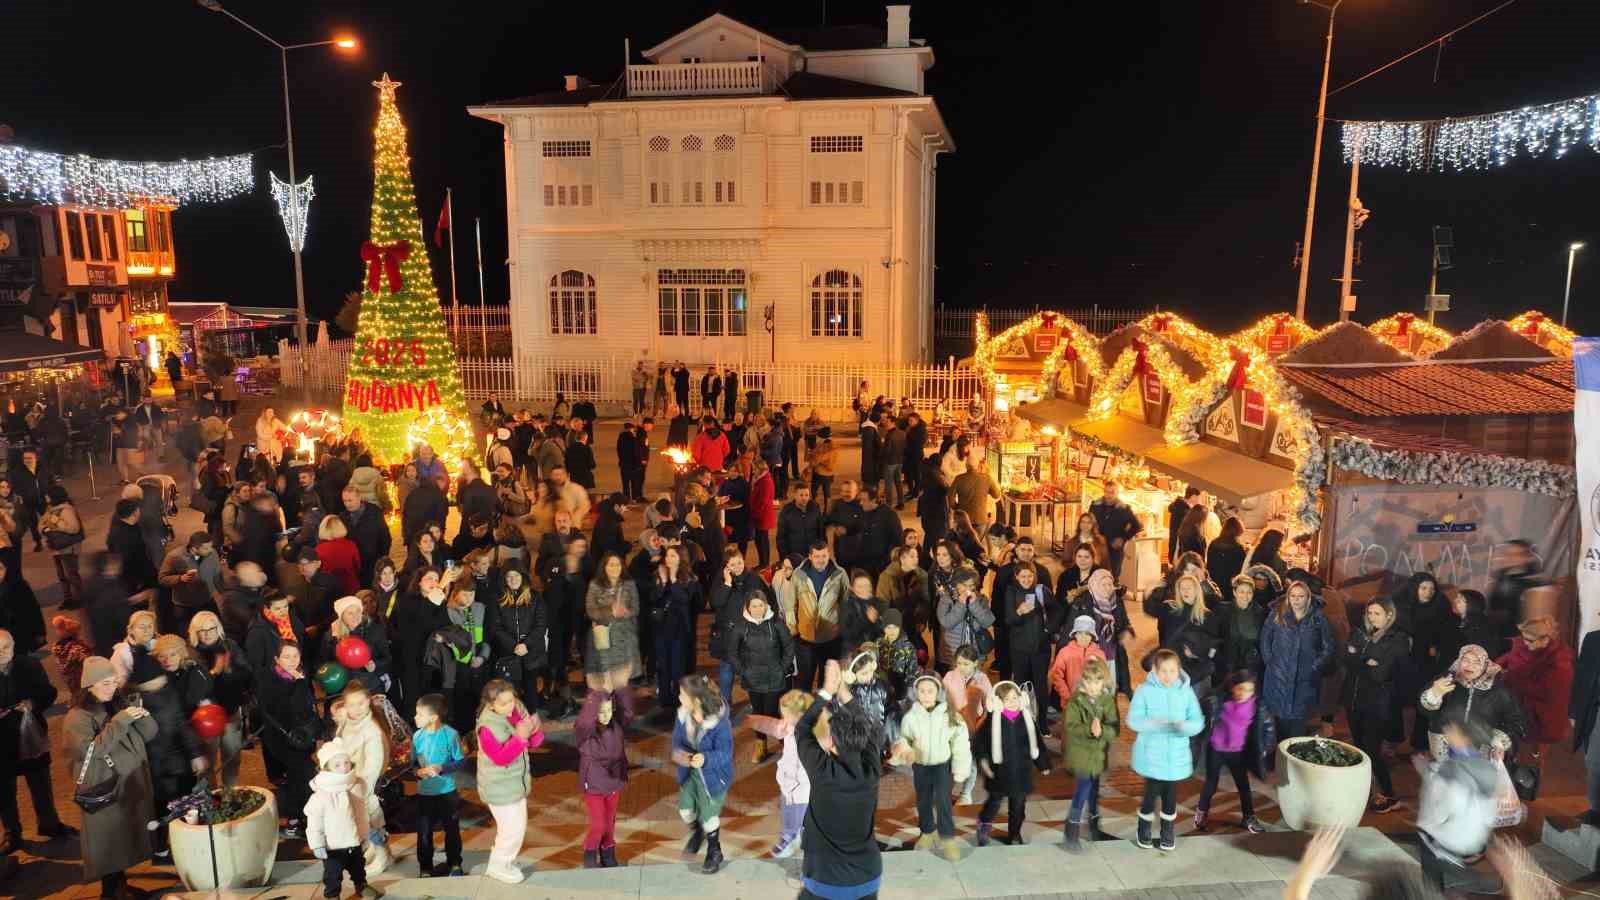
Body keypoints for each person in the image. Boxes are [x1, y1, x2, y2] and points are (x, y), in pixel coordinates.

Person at [64, 656, 158, 900]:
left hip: (126, 784)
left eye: (114, 682)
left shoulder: (115, 704)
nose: (112, 687)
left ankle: (120, 888)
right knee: (109, 843)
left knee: (122, 839)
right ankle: (112, 893)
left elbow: (149, 734)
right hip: (104, 788)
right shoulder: (77, 717)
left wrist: (142, 715)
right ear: (89, 685)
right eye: (105, 683)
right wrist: (120, 720)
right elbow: (91, 751)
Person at [797, 660, 884, 900]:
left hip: (824, 880)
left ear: (832, 745)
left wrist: (828, 690)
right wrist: (843, 691)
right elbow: (866, 725)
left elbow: (801, 728)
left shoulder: (822, 772)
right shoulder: (871, 769)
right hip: (867, 877)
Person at [0, 629, 73, 854]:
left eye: (5, 648)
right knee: (4, 790)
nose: (2, 653)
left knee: (40, 782)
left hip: (30, 735)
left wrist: (32, 703)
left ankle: (49, 823)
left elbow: (49, 693)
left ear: (13, 646)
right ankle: (12, 833)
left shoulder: (29, 665)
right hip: (2, 743)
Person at [1414, 717, 1504, 894]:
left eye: (1451, 731)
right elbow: (1490, 814)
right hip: (1475, 841)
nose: (1446, 734)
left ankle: (1438, 890)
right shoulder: (1488, 769)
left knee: (1425, 842)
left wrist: (1426, 774)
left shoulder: (1449, 771)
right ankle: (1473, 879)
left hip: (1451, 842)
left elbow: (1438, 814)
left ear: (1465, 738)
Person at [1128, 648, 1204, 851]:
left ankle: (1167, 830)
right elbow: (1133, 719)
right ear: (1155, 670)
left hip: (1175, 756)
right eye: (1163, 671)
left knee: (1170, 795)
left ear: (1179, 671)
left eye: (1172, 671)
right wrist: (1153, 724)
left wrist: (1183, 727)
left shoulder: (1186, 692)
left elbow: (1197, 721)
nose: (1168, 675)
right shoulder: (1144, 691)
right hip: (1152, 754)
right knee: (1150, 793)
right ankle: (1143, 827)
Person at [890, 674, 971, 860]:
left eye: (930, 691)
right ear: (916, 693)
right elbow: (905, 738)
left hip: (942, 766)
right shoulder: (911, 717)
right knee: (923, 800)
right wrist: (903, 749)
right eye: (922, 691)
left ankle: (947, 838)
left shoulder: (951, 716)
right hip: (921, 766)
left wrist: (960, 768)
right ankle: (927, 831)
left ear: (938, 693)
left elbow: (960, 743)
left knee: (943, 801)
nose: (926, 695)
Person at [1339, 598, 1408, 812]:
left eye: (1377, 613)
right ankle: (1364, 790)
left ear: (1389, 615)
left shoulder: (1397, 639)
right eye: (1370, 613)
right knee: (1359, 748)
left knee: (1371, 751)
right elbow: (1345, 658)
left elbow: (1380, 674)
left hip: (1376, 704)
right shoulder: (1360, 633)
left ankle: (1389, 794)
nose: (1372, 617)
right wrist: (1365, 662)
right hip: (1353, 699)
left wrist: (1357, 659)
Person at [476, 679, 544, 884]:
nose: (510, 706)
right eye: (503, 703)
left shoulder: (517, 709)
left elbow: (532, 741)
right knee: (511, 830)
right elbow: (500, 758)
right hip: (498, 787)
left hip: (514, 783)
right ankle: (498, 865)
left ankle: (504, 862)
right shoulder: (487, 727)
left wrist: (534, 731)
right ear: (490, 705)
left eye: (511, 700)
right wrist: (521, 737)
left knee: (517, 827)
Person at [1194, 669, 1273, 834]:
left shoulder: (1257, 705)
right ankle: (1201, 813)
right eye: (1241, 689)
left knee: (1243, 785)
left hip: (1238, 752)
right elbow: (1199, 716)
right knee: (1211, 783)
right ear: (1232, 687)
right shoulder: (1217, 700)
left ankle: (1249, 817)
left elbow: (1268, 728)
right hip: (1216, 749)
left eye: (1249, 690)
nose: (1244, 694)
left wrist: (1264, 748)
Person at [972, 680, 1048, 846]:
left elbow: (1036, 742)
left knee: (1018, 806)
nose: (1012, 702)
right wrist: (983, 761)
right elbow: (980, 744)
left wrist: (1042, 763)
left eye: (1015, 698)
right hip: (999, 772)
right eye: (1007, 699)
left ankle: (1014, 834)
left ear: (1021, 698)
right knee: (994, 802)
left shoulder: (1027, 720)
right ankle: (984, 824)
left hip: (1021, 771)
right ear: (997, 702)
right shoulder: (992, 721)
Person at [672, 673, 734, 874]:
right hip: (691, 774)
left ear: (696, 700)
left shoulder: (719, 724)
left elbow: (725, 753)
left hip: (713, 777)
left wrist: (706, 759)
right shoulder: (683, 716)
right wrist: (679, 753)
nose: (679, 698)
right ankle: (697, 832)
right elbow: (677, 742)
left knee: (709, 817)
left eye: (683, 695)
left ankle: (715, 851)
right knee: (685, 810)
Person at [1420, 644, 1526, 761]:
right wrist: (1434, 694)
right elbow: (1424, 711)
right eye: (1466, 660)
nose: (1470, 666)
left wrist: (1498, 741)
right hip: (1443, 750)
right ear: (1459, 661)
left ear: (1485, 665)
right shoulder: (1446, 681)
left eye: (1476, 662)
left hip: (1480, 754)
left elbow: (1516, 722)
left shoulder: (1498, 690)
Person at [304, 738, 381, 900]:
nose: (344, 767)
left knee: (358, 867)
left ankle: (361, 885)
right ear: (327, 768)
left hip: (355, 840)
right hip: (333, 846)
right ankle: (332, 895)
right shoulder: (321, 794)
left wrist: (370, 831)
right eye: (337, 765)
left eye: (346, 762)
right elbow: (314, 822)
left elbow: (364, 810)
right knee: (333, 874)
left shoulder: (357, 785)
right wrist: (317, 844)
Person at [1259, 579, 1334, 739]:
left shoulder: (1318, 618)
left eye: (1301, 596)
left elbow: (1328, 646)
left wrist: (1314, 666)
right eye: (1293, 595)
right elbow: (1265, 639)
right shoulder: (1277, 614)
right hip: (1279, 677)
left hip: (1305, 680)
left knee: (1298, 727)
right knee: (1278, 726)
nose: (1296, 599)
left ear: (1308, 597)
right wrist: (1271, 663)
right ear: (1288, 597)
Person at [727, 591, 794, 762]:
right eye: (754, 606)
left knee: (770, 712)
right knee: (758, 713)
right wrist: (743, 671)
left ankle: (786, 742)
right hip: (753, 678)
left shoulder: (776, 623)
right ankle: (760, 745)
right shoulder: (741, 627)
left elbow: (789, 647)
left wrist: (782, 668)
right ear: (748, 607)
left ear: (766, 605)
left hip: (774, 676)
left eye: (760, 605)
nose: (757, 609)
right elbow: (732, 652)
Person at [746, 689, 814, 859]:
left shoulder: (810, 735)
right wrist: (752, 720)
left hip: (803, 785)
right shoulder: (788, 726)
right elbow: (772, 726)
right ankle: (790, 835)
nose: (782, 718)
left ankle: (800, 838)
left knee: (800, 814)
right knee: (787, 810)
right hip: (789, 781)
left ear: (798, 716)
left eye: (785, 715)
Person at [574, 678, 633, 869]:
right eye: (600, 711)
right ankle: (590, 853)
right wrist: (598, 693)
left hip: (614, 782)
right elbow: (585, 719)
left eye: (609, 710)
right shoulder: (585, 732)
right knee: (598, 824)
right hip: (594, 785)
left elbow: (627, 711)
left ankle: (608, 852)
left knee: (609, 822)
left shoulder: (617, 724)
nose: (606, 715)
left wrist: (620, 686)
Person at [186, 611, 250, 787]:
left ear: (218, 628)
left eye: (211, 629)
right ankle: (210, 795)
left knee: (232, 757)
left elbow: (246, 672)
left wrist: (229, 672)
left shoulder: (230, 646)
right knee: (208, 762)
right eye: (202, 630)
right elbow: (193, 688)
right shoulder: (190, 653)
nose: (207, 634)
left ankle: (230, 792)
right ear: (195, 632)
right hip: (205, 717)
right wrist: (214, 672)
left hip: (230, 712)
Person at [1061, 656, 1118, 852]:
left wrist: (1102, 730)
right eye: (1089, 681)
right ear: (1083, 680)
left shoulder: (1107, 701)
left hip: (1098, 755)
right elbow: (1071, 727)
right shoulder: (1076, 701)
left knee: (1094, 790)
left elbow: (1114, 728)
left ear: (1104, 681)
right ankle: (1071, 830)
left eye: (1097, 681)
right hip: (1081, 754)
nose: (1093, 686)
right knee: (1083, 790)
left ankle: (1094, 827)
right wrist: (1090, 730)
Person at [778, 541, 848, 692]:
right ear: (810, 557)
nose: (821, 560)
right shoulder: (798, 574)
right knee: (804, 683)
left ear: (829, 555)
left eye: (824, 556)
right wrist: (794, 632)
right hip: (805, 640)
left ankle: (823, 707)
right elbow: (790, 605)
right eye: (817, 556)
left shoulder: (840, 574)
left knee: (827, 684)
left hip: (830, 638)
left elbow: (846, 604)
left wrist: (842, 630)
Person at [943, 644, 994, 806]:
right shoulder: (950, 677)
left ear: (975, 663)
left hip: (974, 727)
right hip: (953, 727)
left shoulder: (982, 679)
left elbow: (989, 705)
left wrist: (982, 724)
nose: (961, 667)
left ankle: (965, 794)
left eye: (966, 664)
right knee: (950, 762)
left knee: (970, 763)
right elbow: (942, 699)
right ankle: (946, 792)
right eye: (959, 663)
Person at [585, 552, 641, 691]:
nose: (615, 568)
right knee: (605, 679)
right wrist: (610, 611)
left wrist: (626, 612)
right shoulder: (595, 585)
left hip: (624, 636)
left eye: (618, 565)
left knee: (623, 678)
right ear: (604, 567)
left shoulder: (629, 584)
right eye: (611, 565)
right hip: (604, 635)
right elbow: (590, 610)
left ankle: (620, 701)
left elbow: (636, 608)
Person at [328, 595, 391, 695]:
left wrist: (375, 665)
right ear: (341, 616)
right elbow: (325, 661)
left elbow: (387, 658)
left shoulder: (374, 629)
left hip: (371, 685)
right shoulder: (333, 635)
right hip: (345, 688)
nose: (356, 616)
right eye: (350, 613)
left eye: (358, 611)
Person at [1487, 539, 1544, 647]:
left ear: (1527, 558)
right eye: (1507, 554)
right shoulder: (1500, 579)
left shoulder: (1534, 582)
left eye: (1516, 554)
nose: (1510, 558)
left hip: (1523, 642)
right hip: (1500, 638)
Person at [937, 567, 994, 671]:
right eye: (964, 585)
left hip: (976, 651)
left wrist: (974, 605)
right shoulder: (947, 599)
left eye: (971, 585)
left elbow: (988, 622)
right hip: (954, 651)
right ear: (956, 583)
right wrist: (961, 605)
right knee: (955, 679)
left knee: (975, 679)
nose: (968, 589)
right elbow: (946, 623)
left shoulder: (981, 599)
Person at [39, 484, 85, 609]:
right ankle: (68, 599)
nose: (46, 497)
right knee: (62, 576)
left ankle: (79, 599)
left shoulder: (66, 510)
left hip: (68, 548)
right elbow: (41, 524)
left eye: (48, 495)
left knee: (71, 575)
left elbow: (74, 528)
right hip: (56, 547)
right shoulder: (50, 509)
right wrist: (44, 528)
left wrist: (57, 522)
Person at [340, 486, 390, 590]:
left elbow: (385, 537)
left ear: (359, 498)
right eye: (344, 501)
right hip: (355, 567)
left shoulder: (374, 512)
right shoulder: (342, 517)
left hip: (373, 563)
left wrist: (382, 559)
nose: (347, 504)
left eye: (350, 500)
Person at [1217, 573, 1266, 677]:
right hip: (1227, 666)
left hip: (1251, 667)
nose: (1245, 596)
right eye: (1241, 592)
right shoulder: (1223, 610)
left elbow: (1262, 640)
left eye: (1249, 592)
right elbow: (1216, 637)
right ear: (1234, 592)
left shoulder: (1260, 612)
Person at [1089, 481, 1141, 578]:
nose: (1108, 495)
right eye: (1106, 492)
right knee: (1094, 574)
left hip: (1114, 550)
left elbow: (1137, 526)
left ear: (1117, 493)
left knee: (1113, 576)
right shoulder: (1095, 506)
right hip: (1097, 547)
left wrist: (1123, 538)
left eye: (1112, 492)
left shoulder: (1124, 509)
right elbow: (1089, 523)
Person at [777, 483, 824, 562]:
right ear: (795, 495)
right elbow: (781, 537)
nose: (804, 498)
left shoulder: (815, 507)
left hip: (813, 554)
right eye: (801, 495)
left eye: (806, 495)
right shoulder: (786, 511)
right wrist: (784, 558)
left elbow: (821, 531)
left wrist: (822, 550)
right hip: (795, 556)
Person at [748, 458, 777, 568]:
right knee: (759, 540)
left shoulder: (765, 481)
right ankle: (762, 563)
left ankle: (764, 564)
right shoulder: (760, 479)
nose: (753, 471)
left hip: (762, 516)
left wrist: (755, 514)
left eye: (755, 469)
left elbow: (763, 501)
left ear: (760, 469)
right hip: (760, 514)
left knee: (762, 540)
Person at [1206, 515, 1248, 588]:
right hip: (1230, 584)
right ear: (1237, 532)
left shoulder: (1213, 543)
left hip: (1214, 582)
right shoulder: (1238, 548)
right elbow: (1241, 568)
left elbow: (1209, 564)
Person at [1167, 486, 1202, 564]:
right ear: (1193, 497)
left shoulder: (1178, 506)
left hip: (1174, 543)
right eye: (1198, 498)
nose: (1199, 500)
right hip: (1179, 546)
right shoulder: (1185, 511)